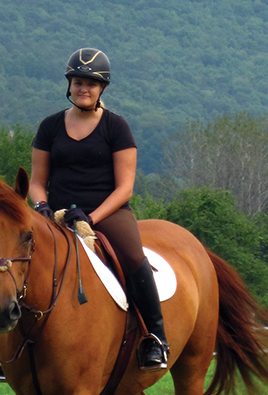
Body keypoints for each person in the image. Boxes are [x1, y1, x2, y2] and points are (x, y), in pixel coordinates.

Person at [17, 47, 168, 374]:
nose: (83, 88)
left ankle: (156, 337)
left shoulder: (116, 127)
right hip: (55, 214)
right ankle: (11, 351)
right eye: (78, 82)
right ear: (69, 85)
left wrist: (91, 218)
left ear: (102, 89)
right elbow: (37, 181)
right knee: (18, 263)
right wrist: (41, 206)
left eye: (91, 83)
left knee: (132, 258)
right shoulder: (50, 126)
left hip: (107, 213)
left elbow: (124, 187)